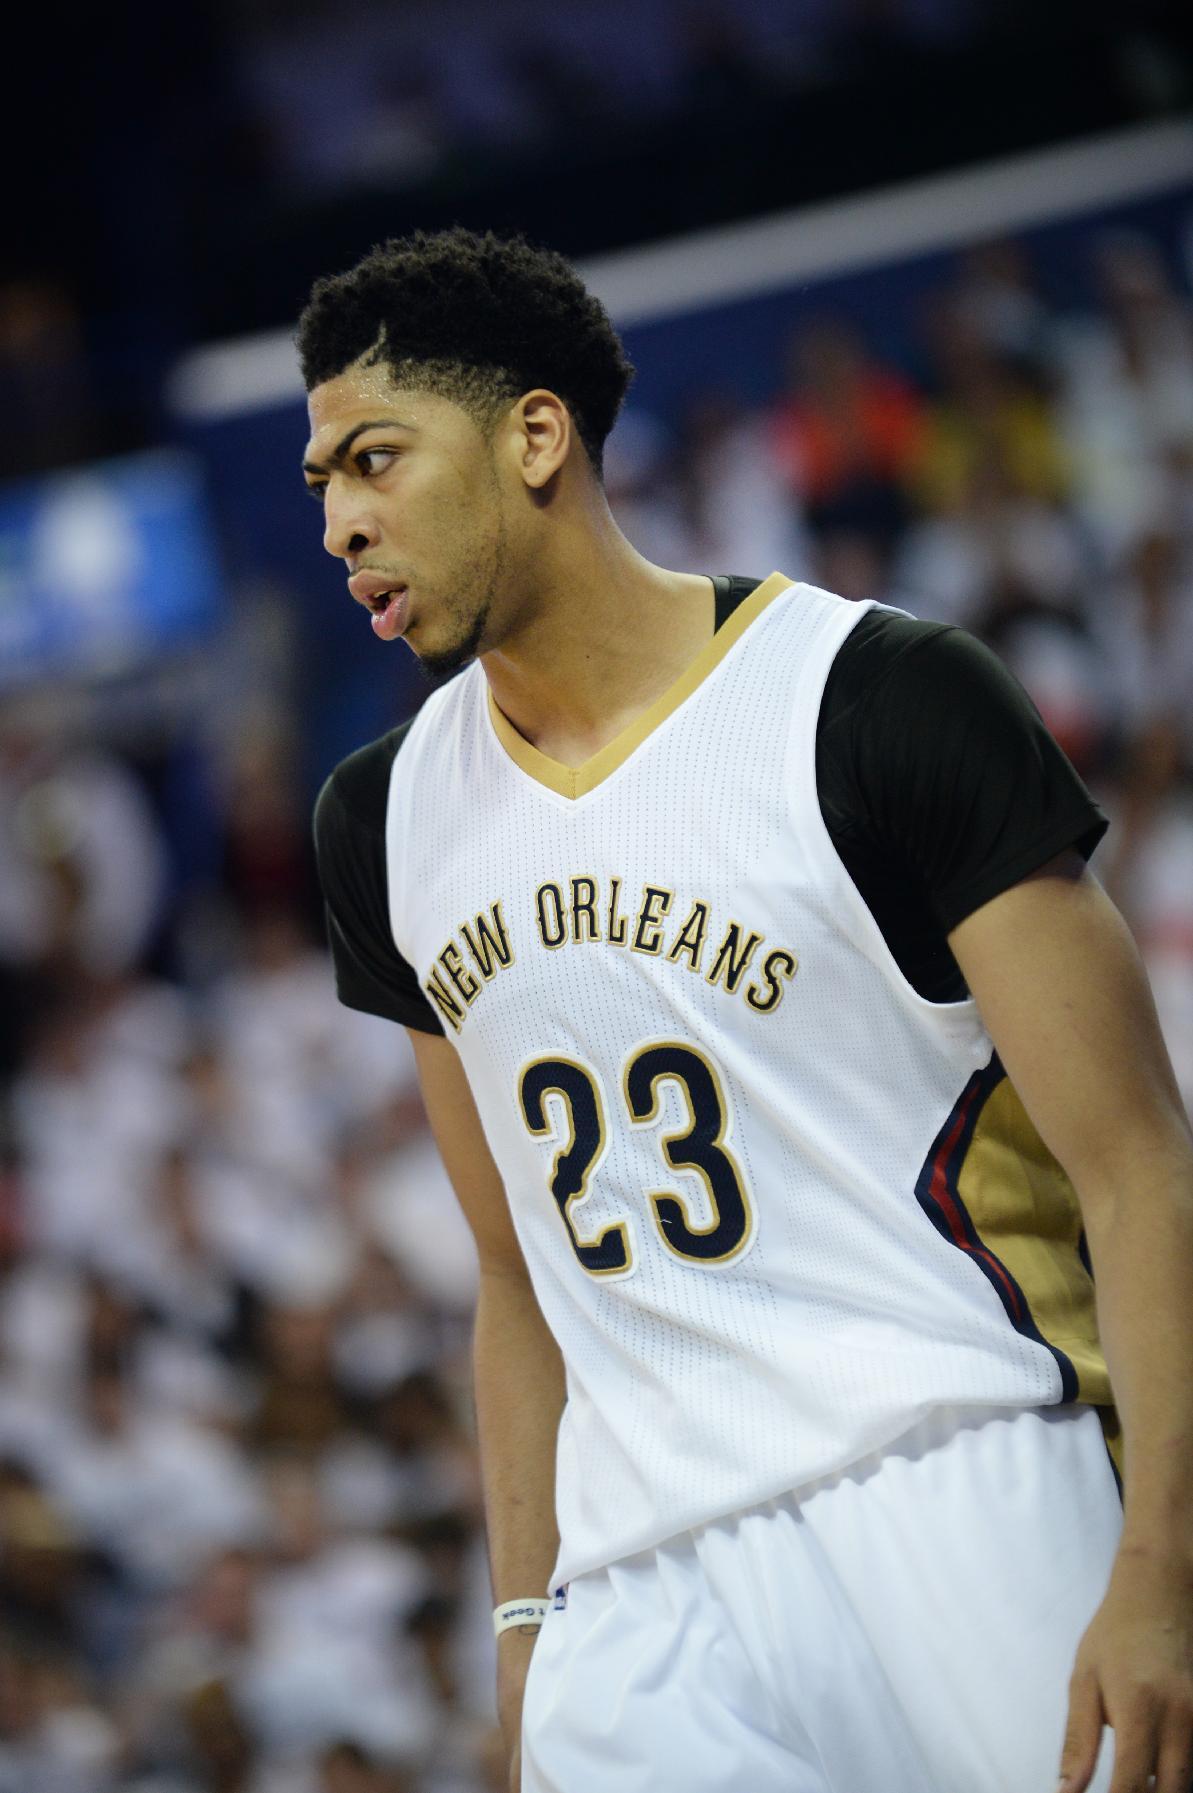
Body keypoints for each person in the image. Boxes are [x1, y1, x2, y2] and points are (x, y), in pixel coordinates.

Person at [299, 229, 1193, 1793]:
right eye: (317, 482)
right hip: (641, 1579)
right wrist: (525, 1633)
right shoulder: (378, 822)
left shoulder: (878, 700)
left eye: (374, 459)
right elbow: (513, 1276)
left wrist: (1163, 1574)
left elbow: (1139, 1171)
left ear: (533, 436)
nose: (341, 521)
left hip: (957, 1470)